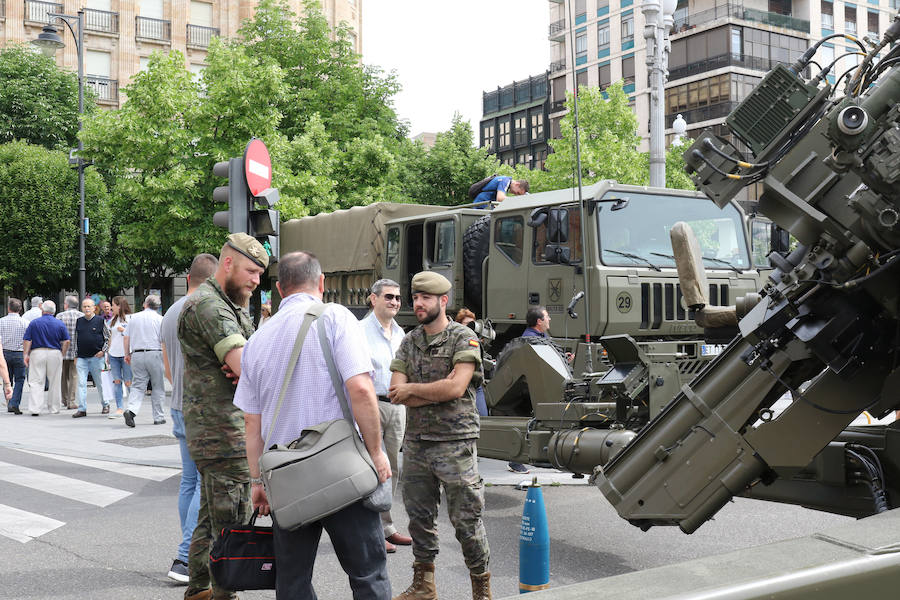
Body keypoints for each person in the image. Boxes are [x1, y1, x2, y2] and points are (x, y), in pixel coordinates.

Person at [235, 251, 391, 599]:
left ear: (279, 288)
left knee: (292, 582)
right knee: (367, 575)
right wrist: (377, 453)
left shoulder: (257, 340)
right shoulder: (335, 317)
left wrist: (258, 482)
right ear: (321, 282)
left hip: (288, 479)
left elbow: (250, 421)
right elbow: (362, 390)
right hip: (342, 470)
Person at [389, 271, 492, 600]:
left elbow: (456, 386)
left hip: (455, 443)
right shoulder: (409, 340)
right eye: (416, 298)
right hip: (417, 443)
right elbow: (394, 391)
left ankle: (481, 589)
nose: (418, 303)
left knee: (466, 522)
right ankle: (424, 585)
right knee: (419, 518)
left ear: (443, 301)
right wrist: (434, 392)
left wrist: (414, 391)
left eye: (425, 298)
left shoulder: (464, 338)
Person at [177, 233, 266, 600]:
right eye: (250, 271)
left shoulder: (231, 304)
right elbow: (247, 366)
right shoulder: (210, 306)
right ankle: (221, 594)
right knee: (231, 525)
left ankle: (199, 589)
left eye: (260, 274)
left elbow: (251, 360)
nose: (256, 281)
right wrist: (251, 366)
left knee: (211, 518)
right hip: (223, 432)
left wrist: (251, 363)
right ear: (227, 263)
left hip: (224, 428)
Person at [160, 253, 218, 584]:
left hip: (179, 403)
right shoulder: (203, 309)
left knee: (189, 481)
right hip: (201, 406)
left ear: (187, 277)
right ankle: (186, 557)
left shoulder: (169, 312)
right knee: (204, 484)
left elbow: (168, 368)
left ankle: (190, 553)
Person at [362, 278, 413, 554]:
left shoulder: (401, 333)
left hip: (397, 406)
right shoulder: (358, 331)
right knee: (370, 468)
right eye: (389, 297)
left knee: (392, 468)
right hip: (370, 405)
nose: (394, 302)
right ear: (373, 299)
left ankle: (387, 526)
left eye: (397, 298)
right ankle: (370, 533)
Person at [123, 295, 166, 427]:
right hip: (155, 353)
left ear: (145, 304)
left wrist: (127, 354)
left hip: (137, 353)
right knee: (158, 385)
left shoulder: (134, 318)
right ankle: (158, 417)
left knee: (137, 384)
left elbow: (126, 337)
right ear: (157, 306)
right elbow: (163, 340)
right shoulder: (161, 319)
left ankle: (131, 410)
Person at [23, 301, 70, 416]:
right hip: (55, 352)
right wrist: (62, 353)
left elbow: (27, 339)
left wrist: (25, 354)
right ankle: (54, 408)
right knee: (55, 381)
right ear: (54, 311)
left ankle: (35, 408)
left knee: (36, 381)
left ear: (42, 310)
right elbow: (67, 341)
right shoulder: (59, 324)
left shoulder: (34, 323)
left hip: (37, 352)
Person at [72, 298, 111, 418]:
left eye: (89, 306)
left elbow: (108, 337)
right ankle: (82, 408)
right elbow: (75, 339)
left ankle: (105, 404)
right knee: (81, 383)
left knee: (100, 383)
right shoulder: (79, 321)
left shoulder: (100, 321)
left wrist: (103, 351)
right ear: (82, 308)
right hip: (82, 358)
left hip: (96, 357)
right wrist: (75, 355)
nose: (87, 308)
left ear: (94, 308)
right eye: (84, 306)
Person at [455, 309, 489, 418]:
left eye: (472, 324)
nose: (470, 327)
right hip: (461, 386)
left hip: (477, 386)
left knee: (483, 417)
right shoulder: (455, 341)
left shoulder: (475, 342)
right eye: (466, 324)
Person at [56, 296, 84, 410]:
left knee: (63, 376)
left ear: (66, 304)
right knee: (74, 375)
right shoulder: (81, 316)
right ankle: (71, 401)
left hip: (62, 350)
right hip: (77, 350)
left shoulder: (60, 316)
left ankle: (64, 399)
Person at [107, 296, 132, 418]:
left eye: (113, 305)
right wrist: (108, 353)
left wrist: (124, 330)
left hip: (126, 354)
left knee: (128, 382)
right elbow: (111, 337)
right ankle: (119, 408)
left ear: (119, 306)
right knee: (117, 381)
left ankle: (132, 407)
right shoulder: (113, 319)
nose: (112, 307)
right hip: (113, 354)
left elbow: (133, 335)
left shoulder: (130, 319)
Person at [1, 298, 28, 414]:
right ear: (20, 309)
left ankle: (9, 402)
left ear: (8, 308)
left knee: (7, 379)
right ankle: (15, 403)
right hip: (19, 353)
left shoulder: (1, 321)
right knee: (20, 379)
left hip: (4, 353)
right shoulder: (25, 323)